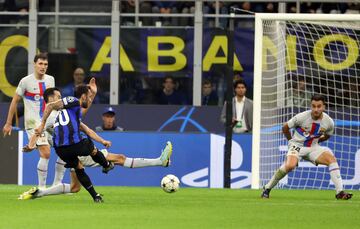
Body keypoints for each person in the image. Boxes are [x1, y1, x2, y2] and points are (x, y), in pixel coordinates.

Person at [18, 87, 173, 200]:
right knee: (119, 158)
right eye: (58, 96)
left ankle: (40, 192)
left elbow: (86, 128)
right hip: (78, 149)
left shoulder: (63, 113)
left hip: (68, 151)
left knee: (75, 187)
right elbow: (40, 130)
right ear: (51, 100)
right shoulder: (54, 115)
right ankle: (159, 161)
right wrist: (32, 144)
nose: (61, 98)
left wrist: (102, 140)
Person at [261, 94, 353, 200]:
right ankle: (267, 188)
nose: (316, 109)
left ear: (324, 107)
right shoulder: (301, 117)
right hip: (297, 146)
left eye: (319, 106)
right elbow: (285, 127)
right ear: (310, 106)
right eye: (313, 106)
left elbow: (327, 135)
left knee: (331, 159)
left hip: (313, 147)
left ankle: (340, 192)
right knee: (290, 165)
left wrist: (318, 141)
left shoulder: (329, 122)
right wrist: (291, 141)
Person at [34, 85, 115, 203]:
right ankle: (106, 165)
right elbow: (51, 105)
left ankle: (96, 196)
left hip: (60, 150)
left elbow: (87, 129)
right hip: (74, 144)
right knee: (92, 149)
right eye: (89, 97)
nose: (90, 99)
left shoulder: (71, 114)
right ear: (83, 96)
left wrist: (103, 141)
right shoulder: (73, 101)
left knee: (79, 167)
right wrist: (42, 124)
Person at [2, 52, 59, 190]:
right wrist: (8, 123)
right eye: (40, 63)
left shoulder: (51, 79)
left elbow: (54, 101)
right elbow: (14, 101)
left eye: (45, 64)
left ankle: (57, 185)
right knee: (45, 152)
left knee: (65, 148)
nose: (43, 66)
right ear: (34, 64)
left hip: (50, 121)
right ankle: (41, 188)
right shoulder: (25, 81)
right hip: (33, 123)